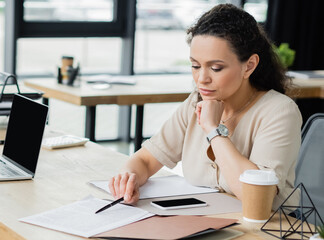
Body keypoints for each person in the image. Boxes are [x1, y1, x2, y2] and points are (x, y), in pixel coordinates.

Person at [109, 4, 301, 210]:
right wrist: (129, 177)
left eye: (216, 68)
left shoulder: (279, 111)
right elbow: (146, 160)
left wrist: (213, 130)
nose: (202, 79)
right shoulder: (195, 102)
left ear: (249, 65)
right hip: (208, 222)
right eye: (195, 66)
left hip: (266, 229)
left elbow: (255, 195)